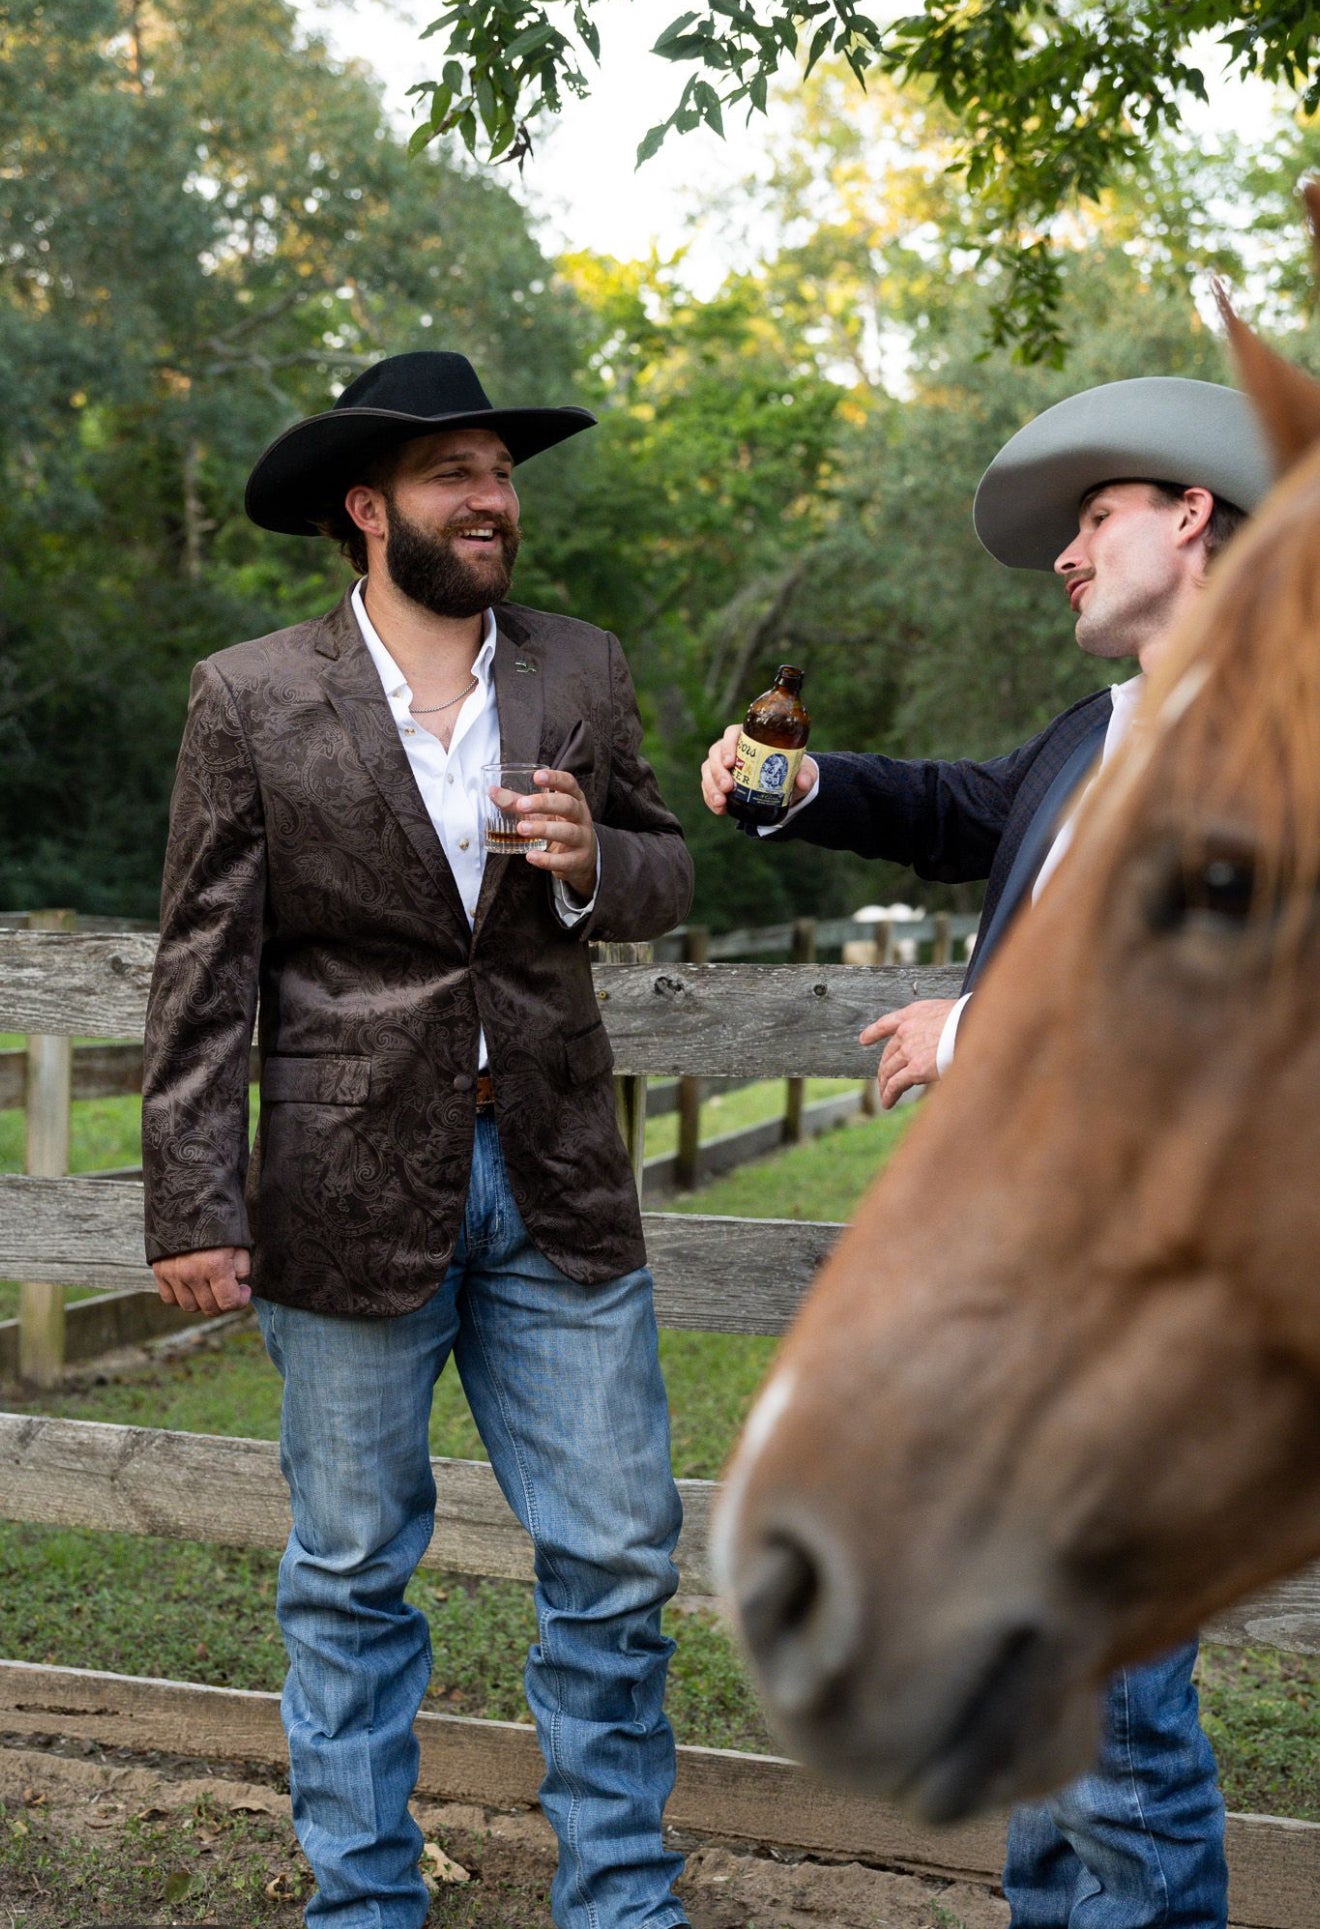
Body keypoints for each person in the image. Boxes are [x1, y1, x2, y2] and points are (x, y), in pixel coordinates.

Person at [701, 375, 1274, 1929]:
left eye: (1096, 518)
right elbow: (962, 807)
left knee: (1118, 1749)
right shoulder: (1102, 728)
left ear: (1192, 514)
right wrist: (801, 787)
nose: (1069, 555)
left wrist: (981, 1030)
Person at [142, 350, 695, 1929]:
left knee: (616, 1557)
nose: (494, 498)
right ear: (369, 510)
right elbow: (204, 965)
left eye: (503, 472)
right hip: (337, 1194)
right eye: (458, 473)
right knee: (348, 1574)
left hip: (557, 1182)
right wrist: (193, 1197)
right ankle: (365, 1902)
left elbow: (663, 867)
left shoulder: (580, 667)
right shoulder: (250, 694)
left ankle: (620, 1899)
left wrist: (598, 862)